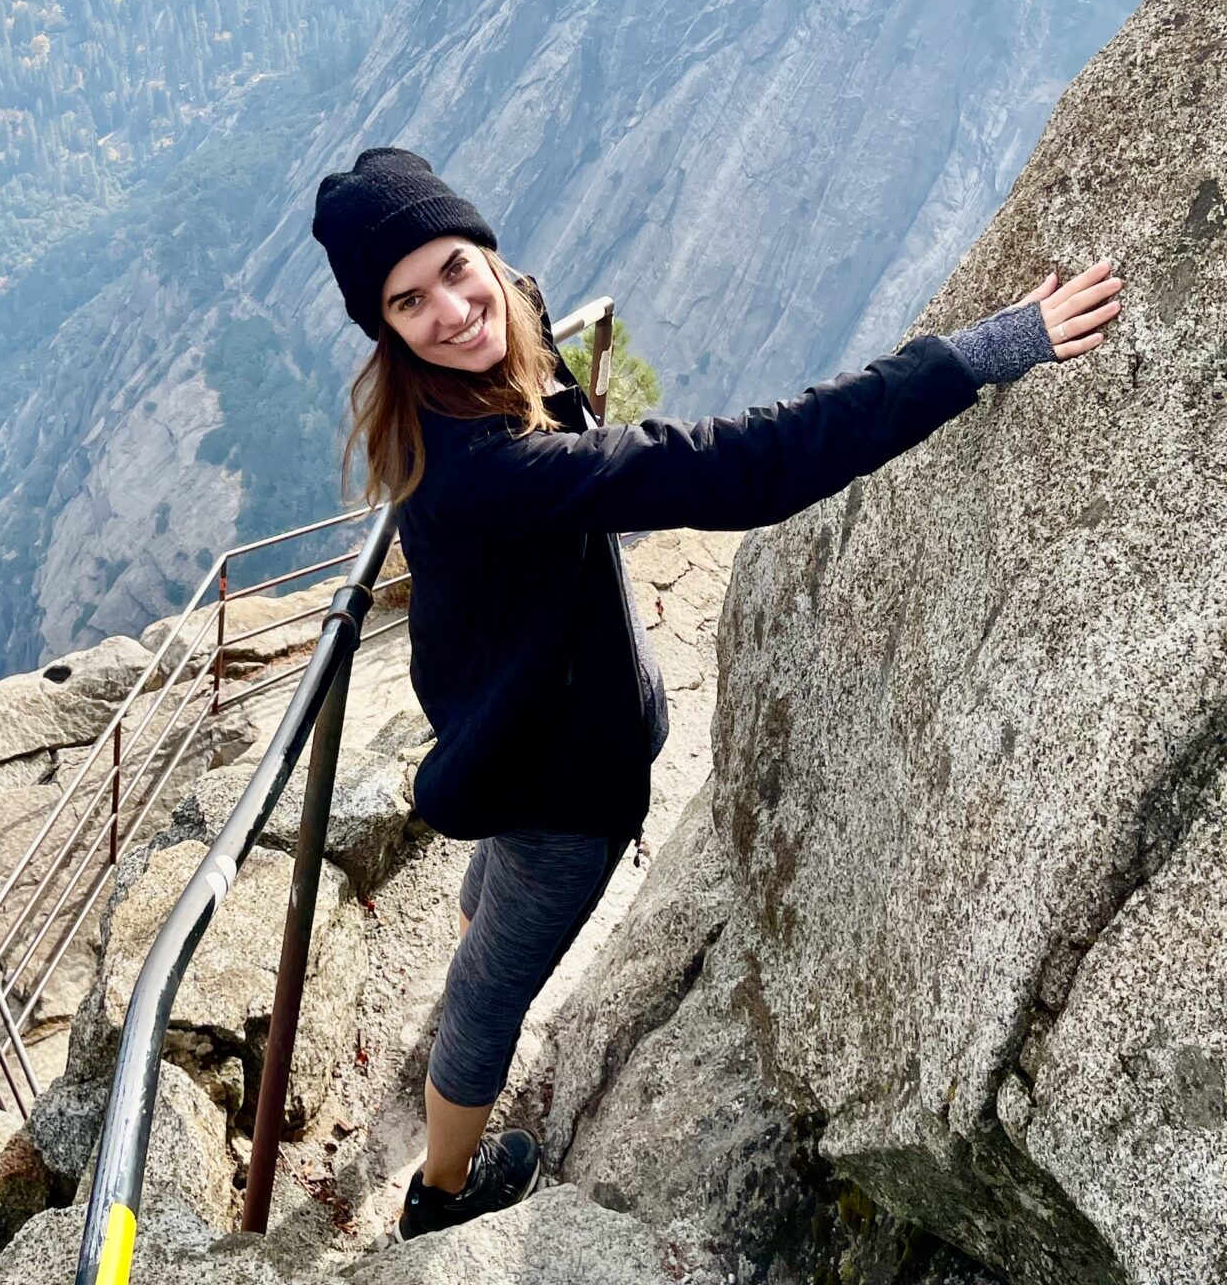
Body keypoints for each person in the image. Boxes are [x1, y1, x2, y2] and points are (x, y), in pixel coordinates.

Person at [309, 145, 1124, 1243]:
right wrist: (976, 354)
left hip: (511, 720)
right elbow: (740, 464)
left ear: (486, 253)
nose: (453, 310)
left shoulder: (494, 347)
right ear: (386, 329)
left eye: (457, 269)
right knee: (488, 997)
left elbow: (525, 337)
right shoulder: (484, 466)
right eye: (409, 301)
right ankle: (439, 1192)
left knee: (490, 903)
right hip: (555, 778)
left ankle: (474, 946)